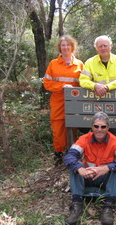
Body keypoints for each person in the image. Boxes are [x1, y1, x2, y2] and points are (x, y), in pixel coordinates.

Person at [64, 112, 116, 225]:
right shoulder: (84, 139)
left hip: (104, 179)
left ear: (108, 128)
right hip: (87, 176)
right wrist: (80, 169)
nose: (99, 129)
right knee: (75, 166)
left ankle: (108, 207)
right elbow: (70, 156)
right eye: (96, 126)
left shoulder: (115, 141)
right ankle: (77, 206)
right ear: (92, 127)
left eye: (103, 127)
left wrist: (107, 167)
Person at [43, 35, 83, 166]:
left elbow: (85, 83)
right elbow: (47, 83)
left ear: (73, 47)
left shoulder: (79, 64)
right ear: (59, 47)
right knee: (58, 131)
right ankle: (58, 157)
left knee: (73, 130)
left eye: (68, 45)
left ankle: (72, 156)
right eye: (63, 45)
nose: (65, 47)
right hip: (58, 102)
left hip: (75, 103)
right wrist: (62, 87)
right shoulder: (53, 64)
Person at [79, 35, 116, 137]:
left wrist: (107, 87)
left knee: (113, 133)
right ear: (96, 48)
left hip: (115, 103)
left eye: (105, 45)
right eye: (100, 46)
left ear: (111, 46)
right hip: (96, 103)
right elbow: (83, 81)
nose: (103, 48)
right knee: (96, 131)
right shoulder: (90, 62)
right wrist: (95, 86)